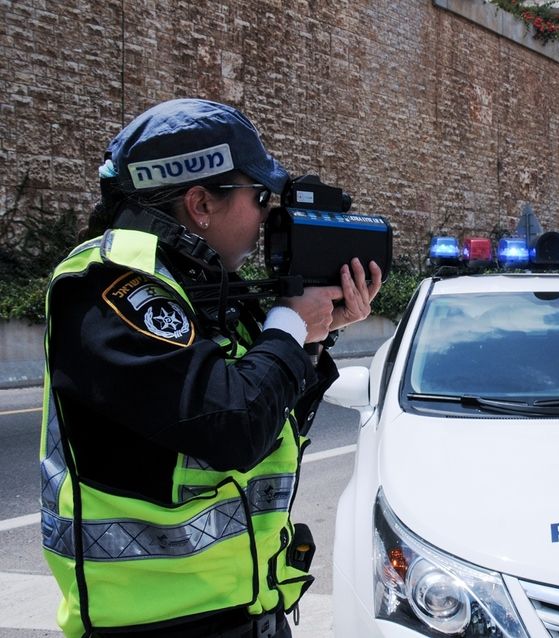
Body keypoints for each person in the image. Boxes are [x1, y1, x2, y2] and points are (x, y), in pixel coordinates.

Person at [39, 98, 382, 637]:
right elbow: (232, 426)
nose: (268, 217)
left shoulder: (204, 288)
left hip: (252, 606)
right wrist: (288, 327)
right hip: (155, 624)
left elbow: (270, 417)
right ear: (201, 203)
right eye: (260, 197)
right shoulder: (110, 286)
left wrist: (312, 339)